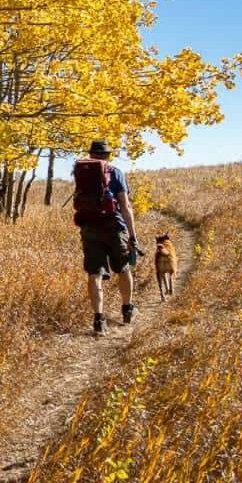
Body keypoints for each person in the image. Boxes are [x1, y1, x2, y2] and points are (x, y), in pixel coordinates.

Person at [72, 140, 140, 336]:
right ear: (108, 156)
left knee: (94, 274)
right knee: (123, 268)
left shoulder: (80, 172)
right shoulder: (115, 172)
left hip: (89, 228)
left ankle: (99, 320)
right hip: (114, 227)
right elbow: (125, 206)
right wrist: (132, 235)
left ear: (90, 154)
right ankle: (127, 310)